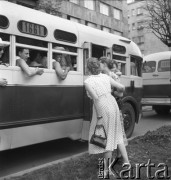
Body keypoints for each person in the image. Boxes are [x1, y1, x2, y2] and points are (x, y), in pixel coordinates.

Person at [84, 57, 129, 178]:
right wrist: (111, 93)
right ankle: (127, 162)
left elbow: (95, 98)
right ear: (98, 67)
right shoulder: (105, 77)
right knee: (117, 133)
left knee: (107, 139)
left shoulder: (87, 81)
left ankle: (107, 170)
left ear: (88, 68)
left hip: (102, 107)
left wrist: (99, 115)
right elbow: (122, 88)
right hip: (112, 104)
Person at [99, 57, 128, 163]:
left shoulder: (113, 76)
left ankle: (118, 158)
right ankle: (121, 158)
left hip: (114, 106)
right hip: (107, 106)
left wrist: (109, 93)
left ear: (104, 64)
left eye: (100, 63)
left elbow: (120, 93)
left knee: (117, 132)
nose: (98, 65)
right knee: (114, 133)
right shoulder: (102, 76)